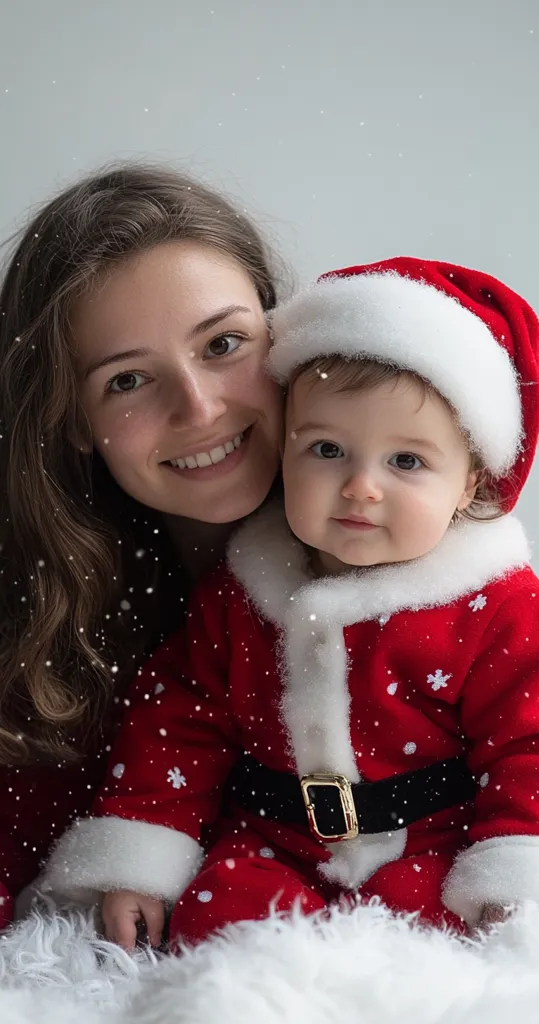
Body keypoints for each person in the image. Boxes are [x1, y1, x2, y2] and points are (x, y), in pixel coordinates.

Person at [40, 256, 539, 949]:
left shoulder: (501, 609)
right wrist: (140, 862)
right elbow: (178, 725)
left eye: (405, 461)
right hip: (271, 843)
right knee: (215, 926)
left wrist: (511, 882)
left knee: (427, 952)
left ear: (471, 480)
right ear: (286, 445)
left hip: (428, 845)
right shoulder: (241, 594)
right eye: (327, 449)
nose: (360, 488)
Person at [0, 163, 287, 931]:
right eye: (127, 382)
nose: (198, 407)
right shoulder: (41, 636)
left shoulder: (425, 569)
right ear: (70, 421)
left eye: (224, 343)